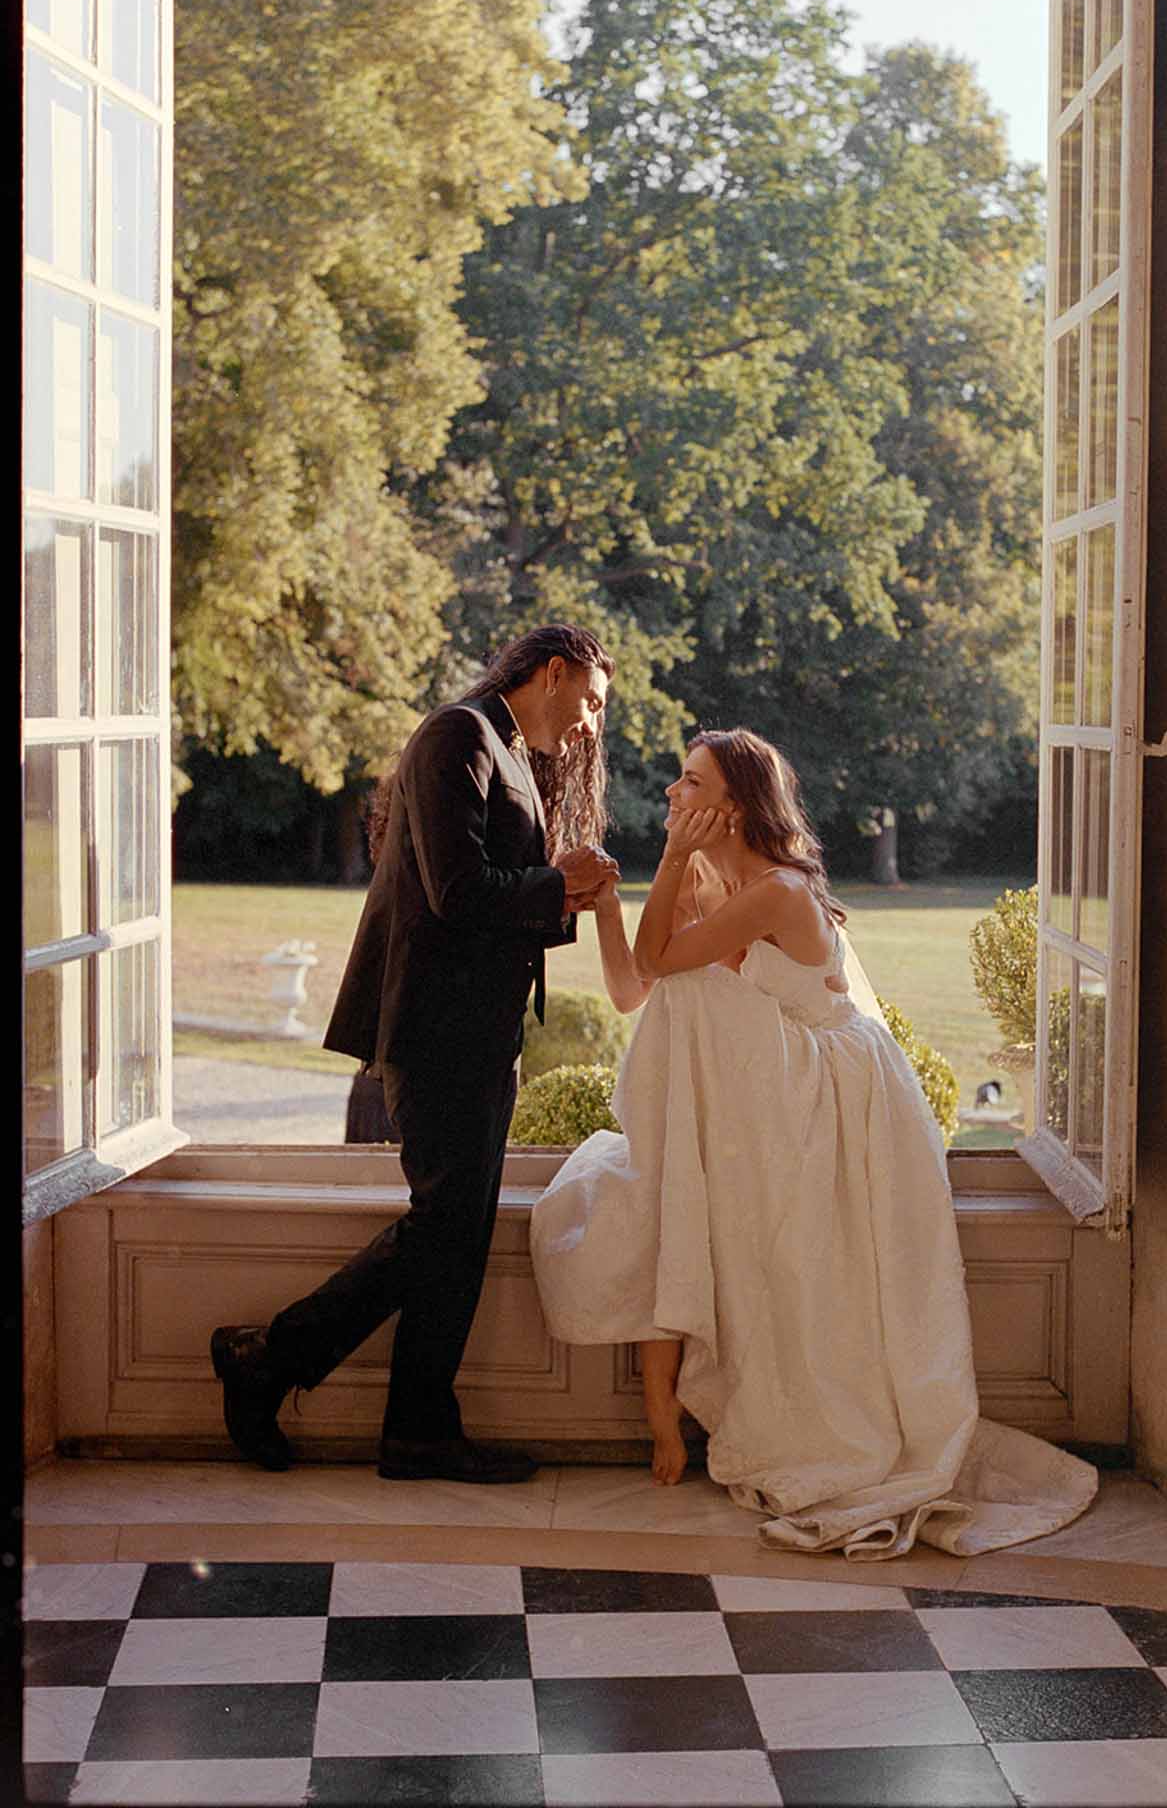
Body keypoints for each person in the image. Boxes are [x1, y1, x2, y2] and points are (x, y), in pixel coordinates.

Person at [531, 728, 1099, 1558]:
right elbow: (632, 988)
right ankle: (667, 1414)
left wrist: (659, 876)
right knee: (653, 1186)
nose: (670, 797)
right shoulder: (702, 876)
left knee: (728, 1175)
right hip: (761, 1082)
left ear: (730, 807)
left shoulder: (775, 888)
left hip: (825, 1089)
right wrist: (614, 908)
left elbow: (662, 961)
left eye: (688, 785)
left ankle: (792, 1420)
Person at [211, 624, 619, 1484]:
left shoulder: (505, 748)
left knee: (457, 1236)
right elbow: (457, 891)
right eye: (588, 702)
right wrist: (562, 882)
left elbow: (490, 897)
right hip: (435, 1031)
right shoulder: (457, 736)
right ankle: (268, 1357)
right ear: (553, 673)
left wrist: (562, 891)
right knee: (445, 1227)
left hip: (478, 1034)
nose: (588, 725)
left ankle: (417, 1432)